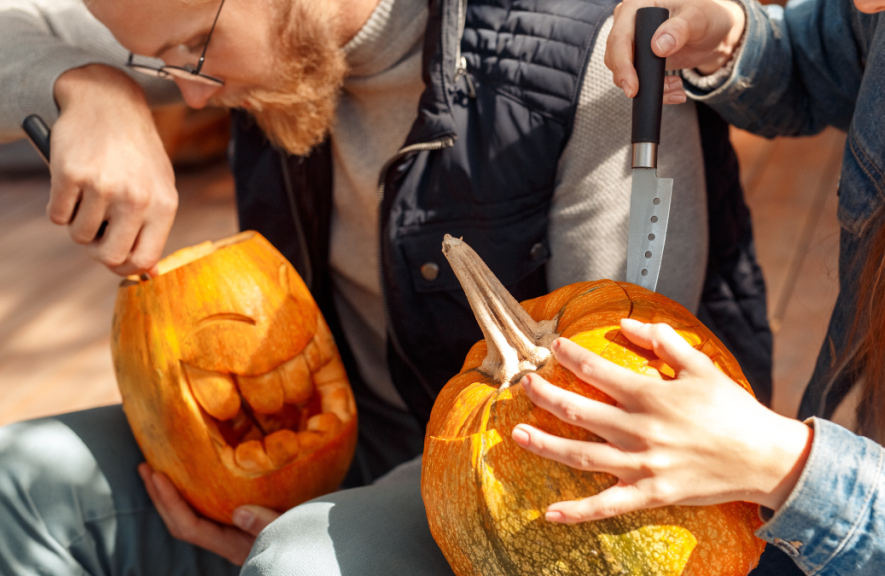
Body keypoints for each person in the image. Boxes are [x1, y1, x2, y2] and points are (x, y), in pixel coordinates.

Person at [0, 0, 774, 573]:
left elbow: (599, 424)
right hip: (339, 435)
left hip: (515, 475)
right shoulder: (223, 36)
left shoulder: (599, 60)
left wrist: (298, 526)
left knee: (296, 565)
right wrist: (90, 85)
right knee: (19, 479)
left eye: (194, 49)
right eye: (161, 66)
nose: (192, 97)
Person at [507, 0, 885, 573]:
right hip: (802, 524)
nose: (870, 3)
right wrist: (730, 39)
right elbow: (820, 53)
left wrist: (787, 466)